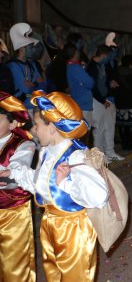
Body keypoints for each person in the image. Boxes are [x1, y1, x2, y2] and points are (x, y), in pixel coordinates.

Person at [0, 90, 108, 282]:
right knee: (54, 276)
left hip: (72, 228)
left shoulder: (75, 156)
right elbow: (40, 182)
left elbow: (98, 195)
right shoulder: (48, 152)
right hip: (50, 223)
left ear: (52, 127)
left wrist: (65, 183)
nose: (33, 130)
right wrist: (13, 173)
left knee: (75, 277)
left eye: (37, 125)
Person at [0, 91, 36, 282]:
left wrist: (8, 173)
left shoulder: (23, 144)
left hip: (12, 212)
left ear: (13, 123)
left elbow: (18, 167)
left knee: (15, 261)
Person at [87, 45, 124, 162]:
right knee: (99, 129)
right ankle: (100, 156)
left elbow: (103, 81)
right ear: (103, 55)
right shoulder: (91, 67)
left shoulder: (102, 65)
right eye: (109, 56)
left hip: (103, 99)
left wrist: (110, 83)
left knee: (107, 127)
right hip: (96, 100)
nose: (110, 59)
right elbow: (93, 87)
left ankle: (109, 152)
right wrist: (102, 100)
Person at [7, 23, 47, 111]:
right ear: (21, 48)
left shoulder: (31, 64)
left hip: (34, 106)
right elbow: (25, 89)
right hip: (22, 109)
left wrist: (33, 85)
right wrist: (37, 84)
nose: (32, 49)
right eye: (30, 46)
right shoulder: (13, 66)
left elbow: (44, 85)